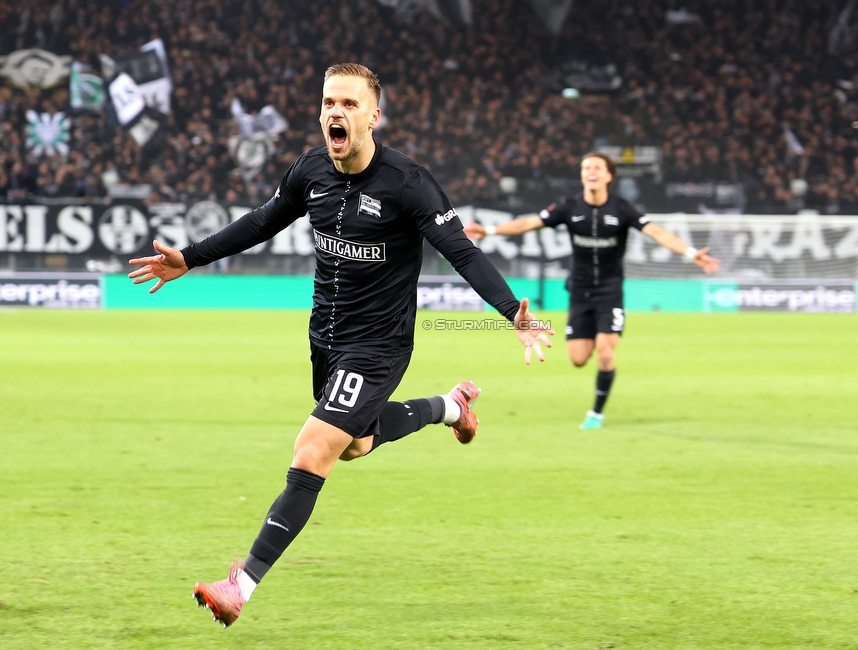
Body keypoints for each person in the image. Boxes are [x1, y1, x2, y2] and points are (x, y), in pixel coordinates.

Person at [128, 63, 553, 628]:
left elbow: (462, 252)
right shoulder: (310, 170)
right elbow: (262, 221)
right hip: (325, 338)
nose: (336, 112)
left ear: (373, 116)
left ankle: (242, 584)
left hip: (379, 344)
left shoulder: (408, 183)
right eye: (329, 102)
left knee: (312, 451)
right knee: (354, 445)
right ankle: (451, 407)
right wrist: (190, 257)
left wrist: (511, 313)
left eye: (350, 104)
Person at [464, 153, 720, 429]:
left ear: (609, 176)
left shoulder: (623, 208)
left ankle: (596, 413)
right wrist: (488, 231)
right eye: (586, 168)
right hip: (579, 290)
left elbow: (657, 233)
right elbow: (528, 223)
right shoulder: (569, 206)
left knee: (606, 352)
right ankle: (596, 393)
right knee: (578, 358)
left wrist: (692, 253)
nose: (590, 172)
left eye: (596, 167)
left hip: (610, 291)